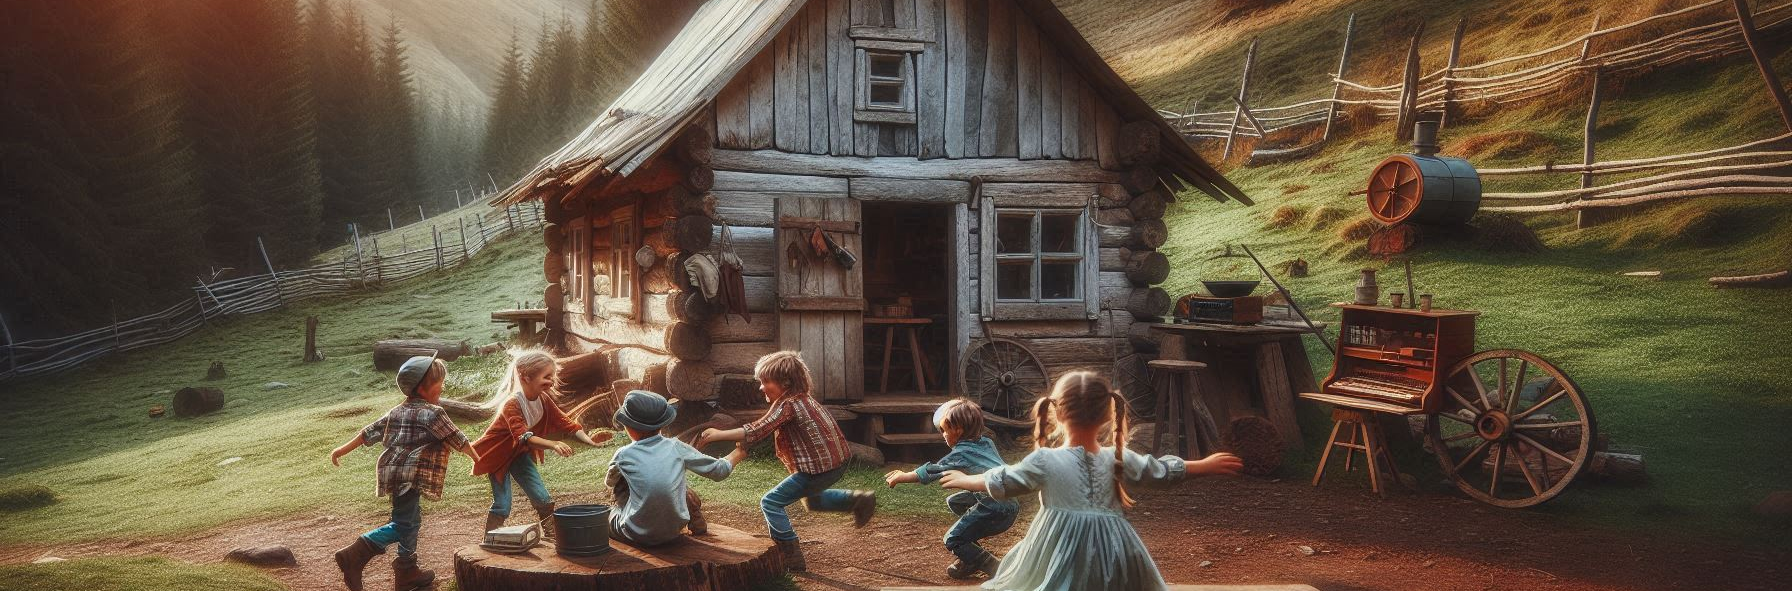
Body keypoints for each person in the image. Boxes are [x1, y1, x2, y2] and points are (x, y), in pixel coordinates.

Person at [938, 371, 1244, 591]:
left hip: (1058, 549)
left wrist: (966, 480)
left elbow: (1004, 481)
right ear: (1109, 413)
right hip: (1115, 551)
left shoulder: (1046, 459)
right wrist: (1204, 465)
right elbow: (1158, 472)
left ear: (1056, 413)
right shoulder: (1116, 458)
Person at [696, 351, 876, 571]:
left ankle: (790, 555)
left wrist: (717, 434)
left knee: (770, 502)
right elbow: (765, 427)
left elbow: (758, 429)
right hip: (834, 466)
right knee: (810, 500)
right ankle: (857, 500)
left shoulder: (789, 405)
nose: (761, 387)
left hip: (817, 470)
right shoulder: (803, 399)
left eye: (766, 382)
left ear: (786, 382)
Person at [329, 354, 481, 591]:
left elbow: (367, 433)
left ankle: (407, 570)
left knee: (411, 520)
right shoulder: (433, 413)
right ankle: (356, 553)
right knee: (404, 524)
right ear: (423, 387)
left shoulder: (396, 411)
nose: (442, 386)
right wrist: (476, 459)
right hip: (412, 475)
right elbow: (457, 438)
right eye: (439, 382)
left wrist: (341, 450)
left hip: (393, 472)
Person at [469, 349, 611, 538]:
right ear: (525, 377)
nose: (551, 381)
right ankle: (490, 538)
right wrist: (553, 445)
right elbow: (524, 436)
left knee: (543, 498)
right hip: (499, 457)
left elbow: (566, 423)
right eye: (546, 376)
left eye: (552, 376)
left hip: (519, 455)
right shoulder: (511, 404)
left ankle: (551, 533)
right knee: (503, 505)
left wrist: (590, 441)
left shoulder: (543, 399)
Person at [884, 398, 1019, 579]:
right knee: (955, 501)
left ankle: (998, 570)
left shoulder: (961, 453)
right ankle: (970, 559)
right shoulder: (987, 442)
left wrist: (903, 477)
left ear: (958, 430)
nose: (943, 435)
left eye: (944, 430)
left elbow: (933, 470)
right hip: (1010, 502)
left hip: (995, 506)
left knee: (952, 539)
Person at [606, 390, 747, 546]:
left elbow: (610, 482)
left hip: (634, 534)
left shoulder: (623, 454)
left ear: (629, 427)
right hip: (673, 532)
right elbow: (719, 471)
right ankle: (690, 511)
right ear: (662, 424)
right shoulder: (676, 447)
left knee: (613, 503)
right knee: (673, 482)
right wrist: (739, 452)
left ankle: (631, 518)